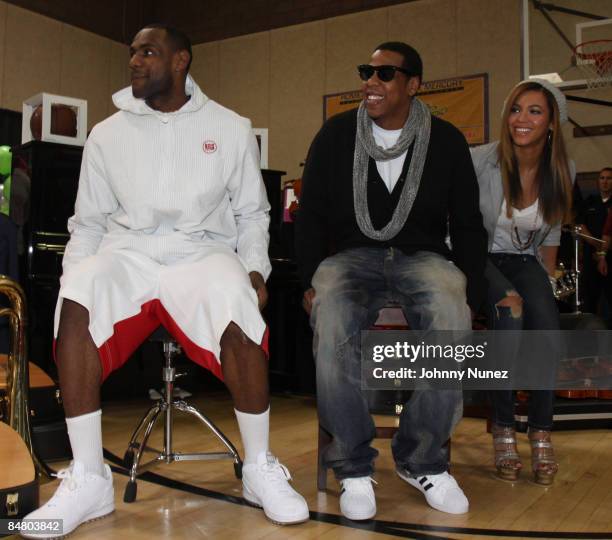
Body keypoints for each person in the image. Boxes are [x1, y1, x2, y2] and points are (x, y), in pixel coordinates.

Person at [21, 24, 309, 538]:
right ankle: (89, 477)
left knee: (237, 300)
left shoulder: (231, 127)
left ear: (181, 62)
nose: (134, 61)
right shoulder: (106, 134)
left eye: (147, 52)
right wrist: (74, 278)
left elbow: (252, 215)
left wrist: (256, 270)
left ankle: (260, 467)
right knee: (78, 301)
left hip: (202, 252)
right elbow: (87, 224)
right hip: (127, 253)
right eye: (132, 52)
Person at [295, 41, 487, 519]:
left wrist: (472, 290)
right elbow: (311, 216)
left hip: (422, 257)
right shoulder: (337, 134)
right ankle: (354, 467)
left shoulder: (445, 140)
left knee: (450, 315)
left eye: (384, 74)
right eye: (366, 72)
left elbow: (466, 222)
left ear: (413, 85)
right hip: (351, 257)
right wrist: (307, 280)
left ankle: (423, 459)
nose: (370, 83)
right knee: (333, 317)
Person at [471, 79, 574, 486]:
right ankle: (503, 427)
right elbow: (457, 225)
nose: (522, 119)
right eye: (516, 109)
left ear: (551, 123)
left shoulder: (560, 168)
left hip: (523, 260)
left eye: (534, 111)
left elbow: (550, 236)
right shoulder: (480, 160)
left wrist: (545, 285)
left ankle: (541, 431)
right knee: (510, 315)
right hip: (477, 257)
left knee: (547, 326)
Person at [577, 167, 612, 315]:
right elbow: (580, 226)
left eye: (609, 178)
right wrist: (598, 246)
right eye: (602, 178)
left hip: (610, 259)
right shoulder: (590, 201)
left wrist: (604, 251)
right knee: (589, 300)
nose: (605, 182)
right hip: (591, 257)